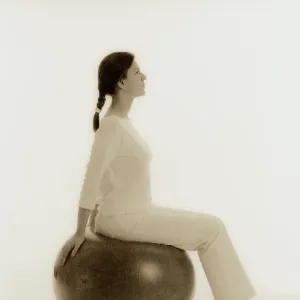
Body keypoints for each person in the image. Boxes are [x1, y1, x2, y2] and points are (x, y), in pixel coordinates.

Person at [58, 51, 283, 300]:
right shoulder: (112, 127)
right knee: (212, 230)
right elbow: (91, 180)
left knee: (213, 226)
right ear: (122, 82)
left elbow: (109, 178)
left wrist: (98, 214)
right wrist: (81, 231)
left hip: (134, 212)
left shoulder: (121, 123)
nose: (144, 76)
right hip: (124, 219)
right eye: (136, 72)